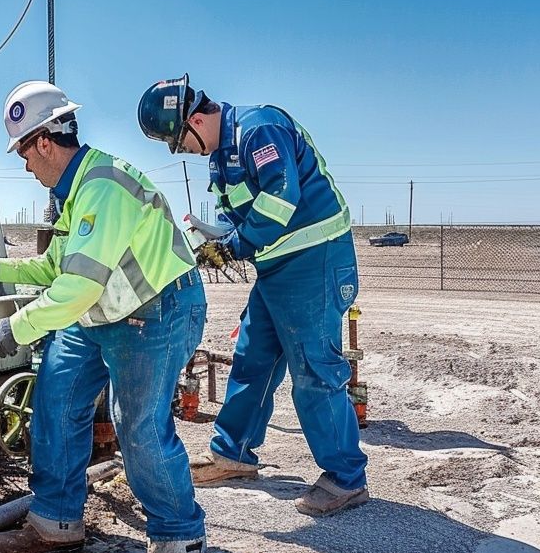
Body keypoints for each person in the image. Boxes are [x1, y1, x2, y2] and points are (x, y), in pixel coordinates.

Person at [0, 80, 209, 553]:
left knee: (139, 426)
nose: (24, 165)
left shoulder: (102, 187)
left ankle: (181, 542)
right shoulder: (75, 190)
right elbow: (56, 268)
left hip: (155, 311)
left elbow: (79, 285)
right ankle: (55, 524)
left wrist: (17, 327)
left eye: (23, 151)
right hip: (104, 312)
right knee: (57, 395)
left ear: (44, 141)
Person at [137, 75, 368, 517]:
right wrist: (213, 237)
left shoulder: (258, 129)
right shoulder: (220, 159)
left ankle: (346, 478)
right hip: (277, 266)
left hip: (314, 259)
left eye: (180, 143)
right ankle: (234, 454)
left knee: (315, 370)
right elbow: (239, 217)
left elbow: (281, 198)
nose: (183, 151)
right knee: (252, 359)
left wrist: (234, 246)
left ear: (196, 120)